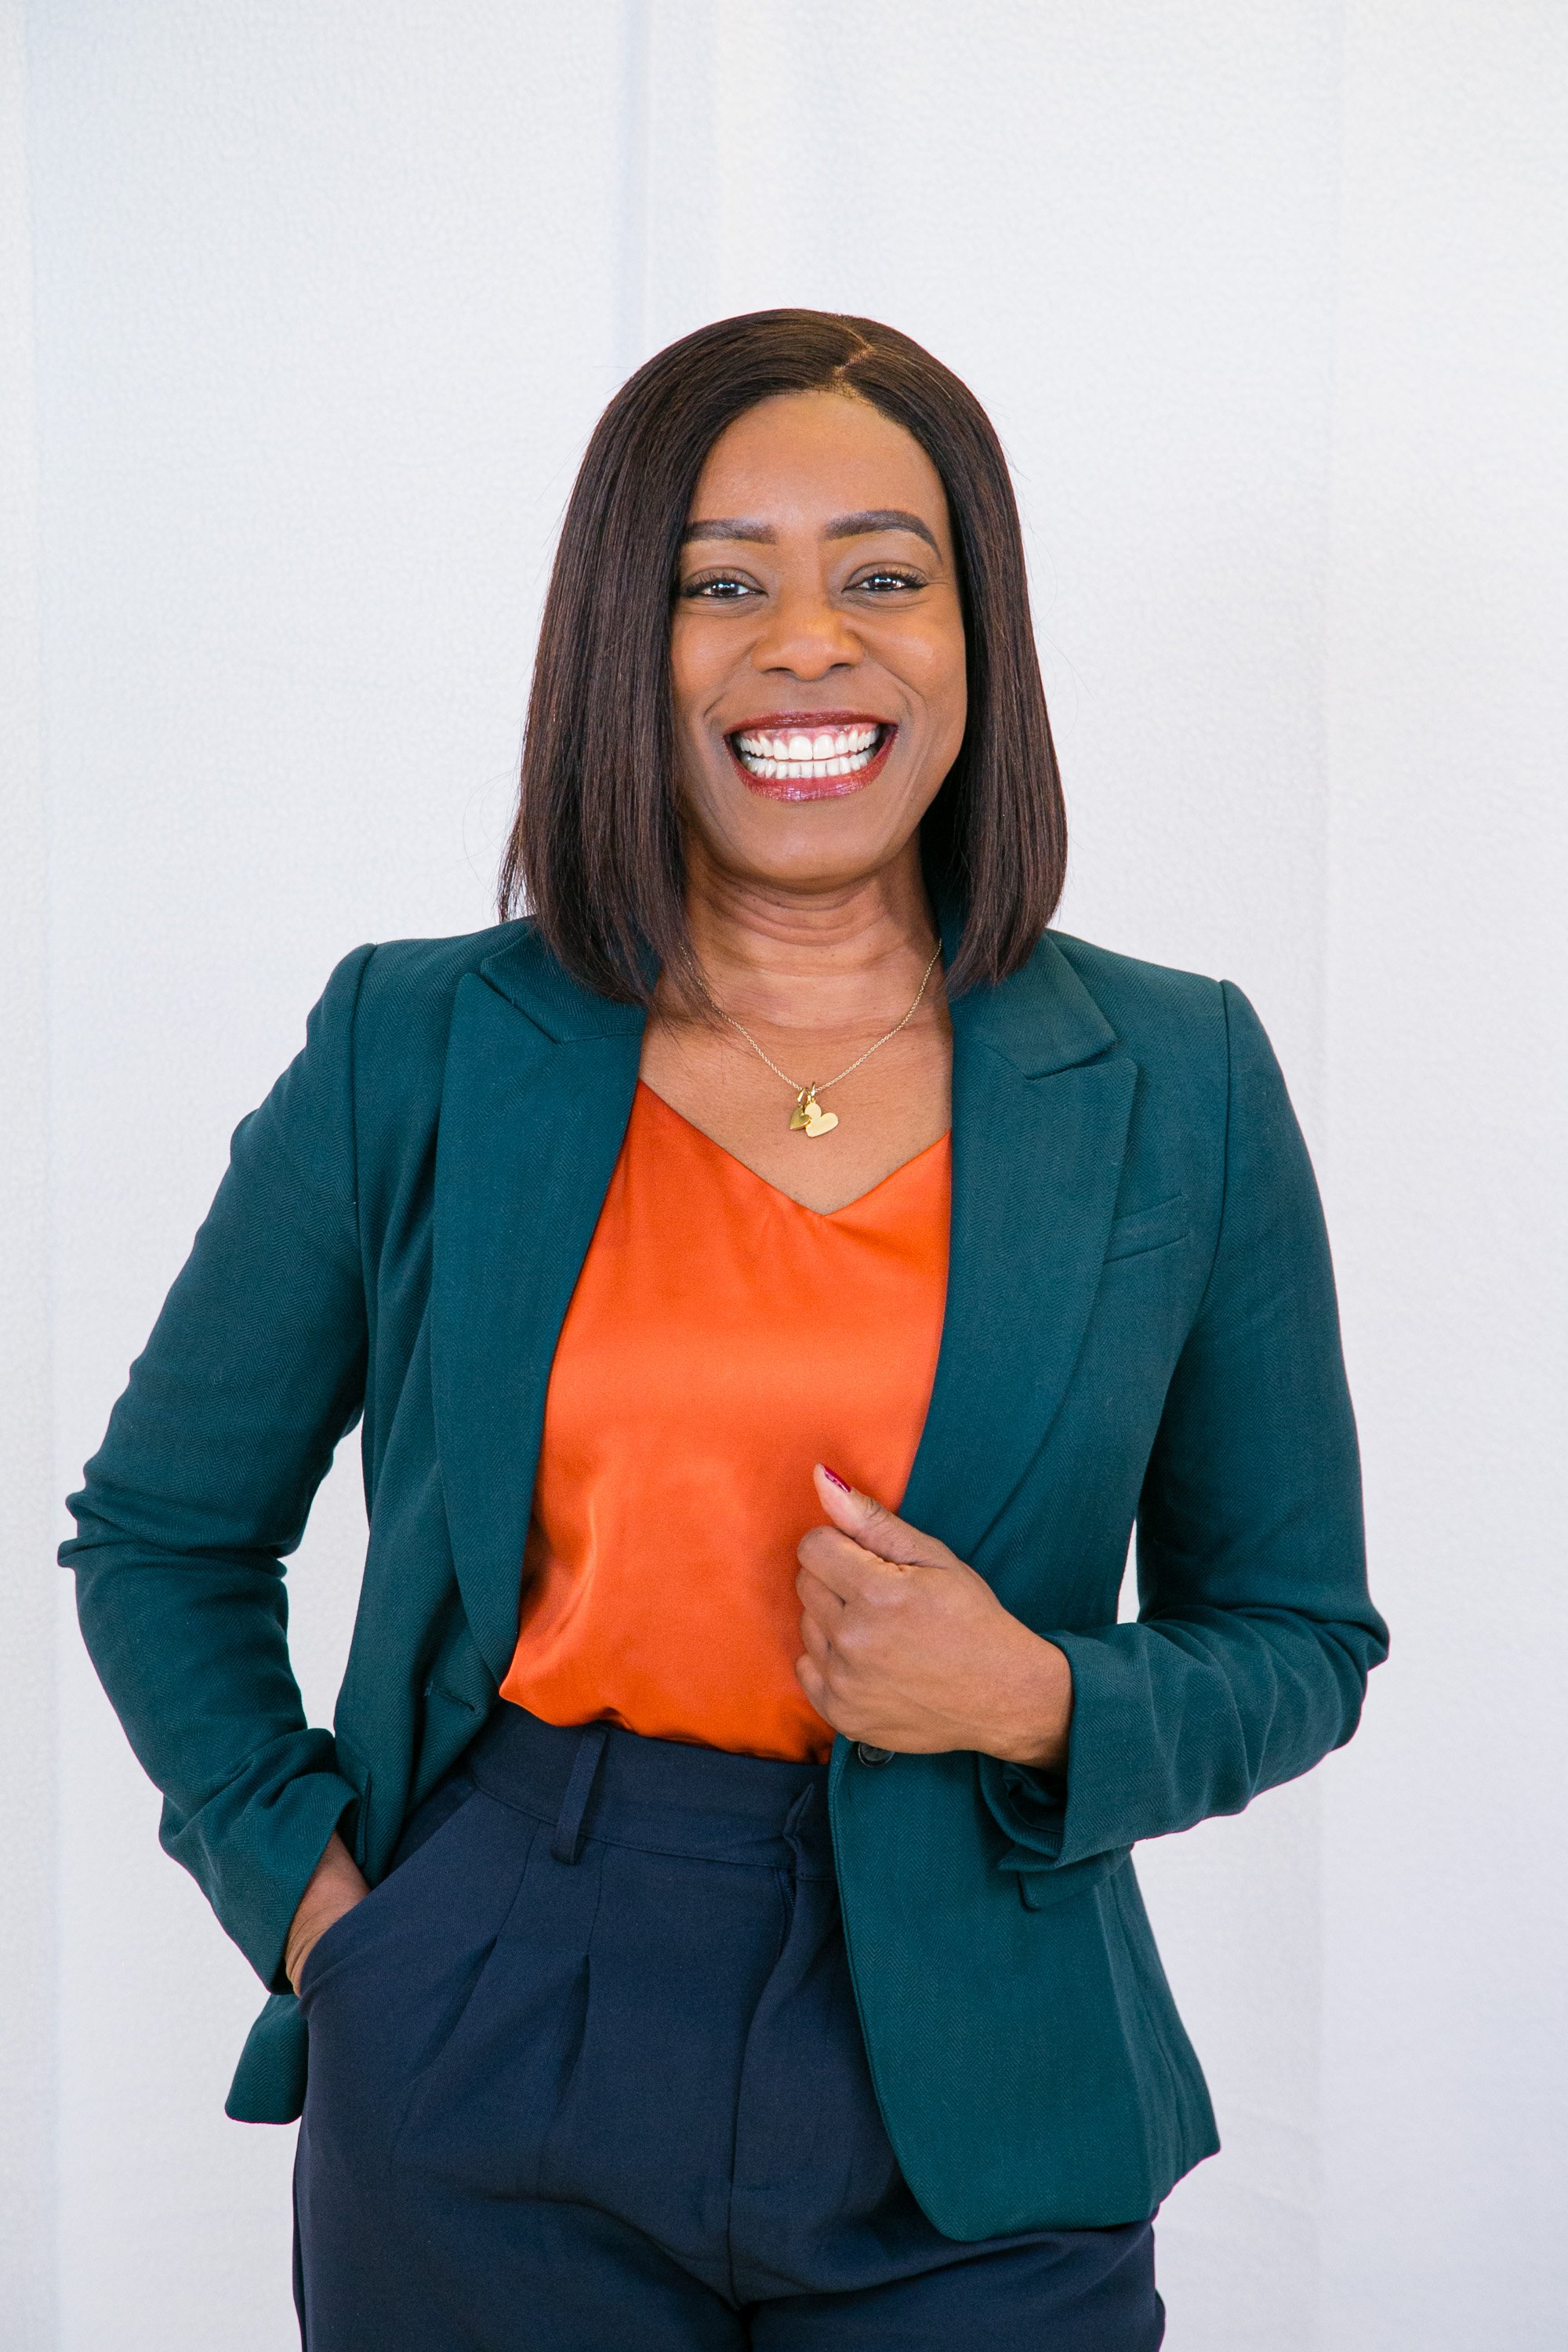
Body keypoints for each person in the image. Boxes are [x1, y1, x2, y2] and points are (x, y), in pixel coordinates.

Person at [62, 309, 1387, 2349]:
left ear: (977, 636)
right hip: (502, 1999)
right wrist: (325, 1923)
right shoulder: (417, 1045)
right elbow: (164, 1531)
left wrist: (1041, 1697)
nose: (807, 643)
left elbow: (1297, 1636)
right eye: (720, 582)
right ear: (625, 639)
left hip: (991, 2061)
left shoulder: (1177, 1078)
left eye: (881, 575)